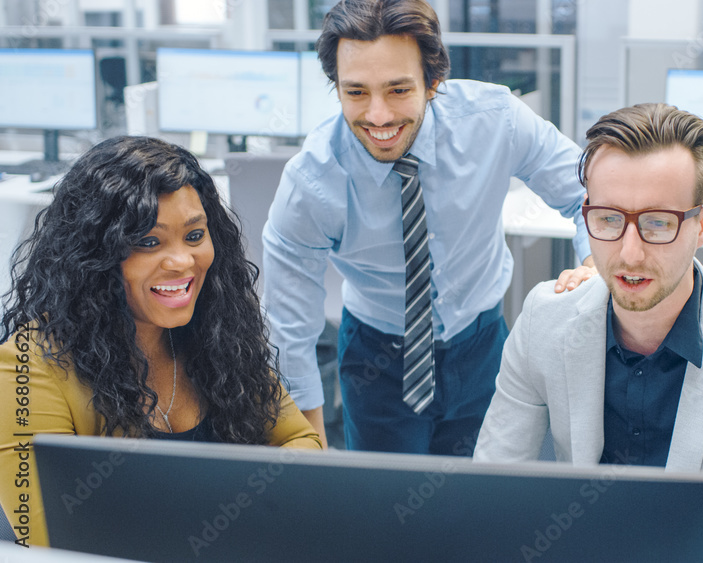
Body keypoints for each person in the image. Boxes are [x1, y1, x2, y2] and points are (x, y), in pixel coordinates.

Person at [474, 103, 703, 562]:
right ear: (586, 217)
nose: (630, 253)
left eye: (658, 222)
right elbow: (492, 501)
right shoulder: (545, 320)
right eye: (609, 219)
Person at [262, 0, 595, 454]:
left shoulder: (495, 120)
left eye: (398, 90)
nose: (378, 116)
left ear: (434, 81)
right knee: (385, 510)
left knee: (489, 500)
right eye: (356, 92)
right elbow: (289, 331)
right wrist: (309, 453)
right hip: (376, 359)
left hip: (484, 345)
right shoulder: (313, 180)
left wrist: (595, 260)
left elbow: (587, 192)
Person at [0, 136, 322, 547]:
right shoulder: (26, 368)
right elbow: (50, 539)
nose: (183, 262)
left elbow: (301, 443)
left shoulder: (217, 331)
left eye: (194, 236)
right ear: (92, 256)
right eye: (149, 242)